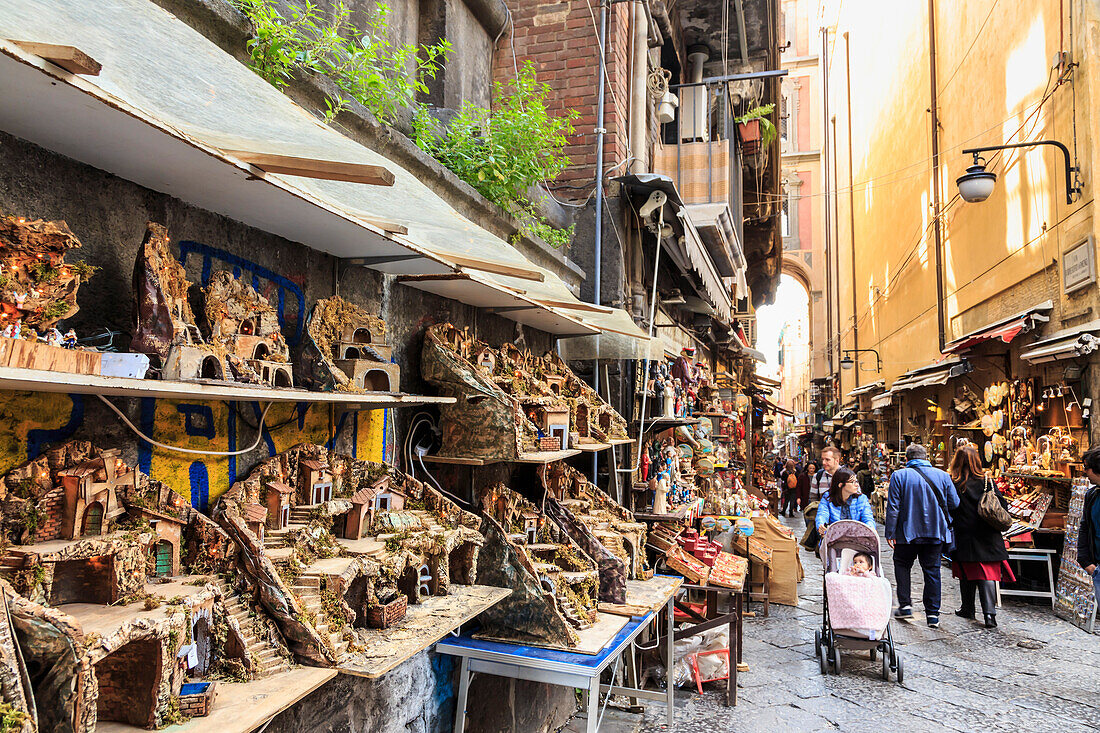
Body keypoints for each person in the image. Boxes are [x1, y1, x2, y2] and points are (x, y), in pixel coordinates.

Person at [885, 443, 960, 628]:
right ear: (927, 457)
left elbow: (893, 507)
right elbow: (955, 503)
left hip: (906, 533)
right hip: (935, 531)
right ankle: (933, 614)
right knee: (932, 571)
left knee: (902, 565)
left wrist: (890, 532)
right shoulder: (943, 475)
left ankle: (905, 605)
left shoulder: (899, 476)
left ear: (907, 459)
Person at [949, 445, 1012, 628]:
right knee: (986, 574)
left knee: (966, 572)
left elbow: (950, 507)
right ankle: (989, 616)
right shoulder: (987, 481)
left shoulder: (954, 483)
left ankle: (967, 608)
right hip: (987, 533)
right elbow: (1002, 506)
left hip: (964, 534)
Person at [1077, 446, 1100, 610]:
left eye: (1086, 468)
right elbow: (1084, 527)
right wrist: (1085, 560)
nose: (1084, 472)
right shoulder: (1092, 495)